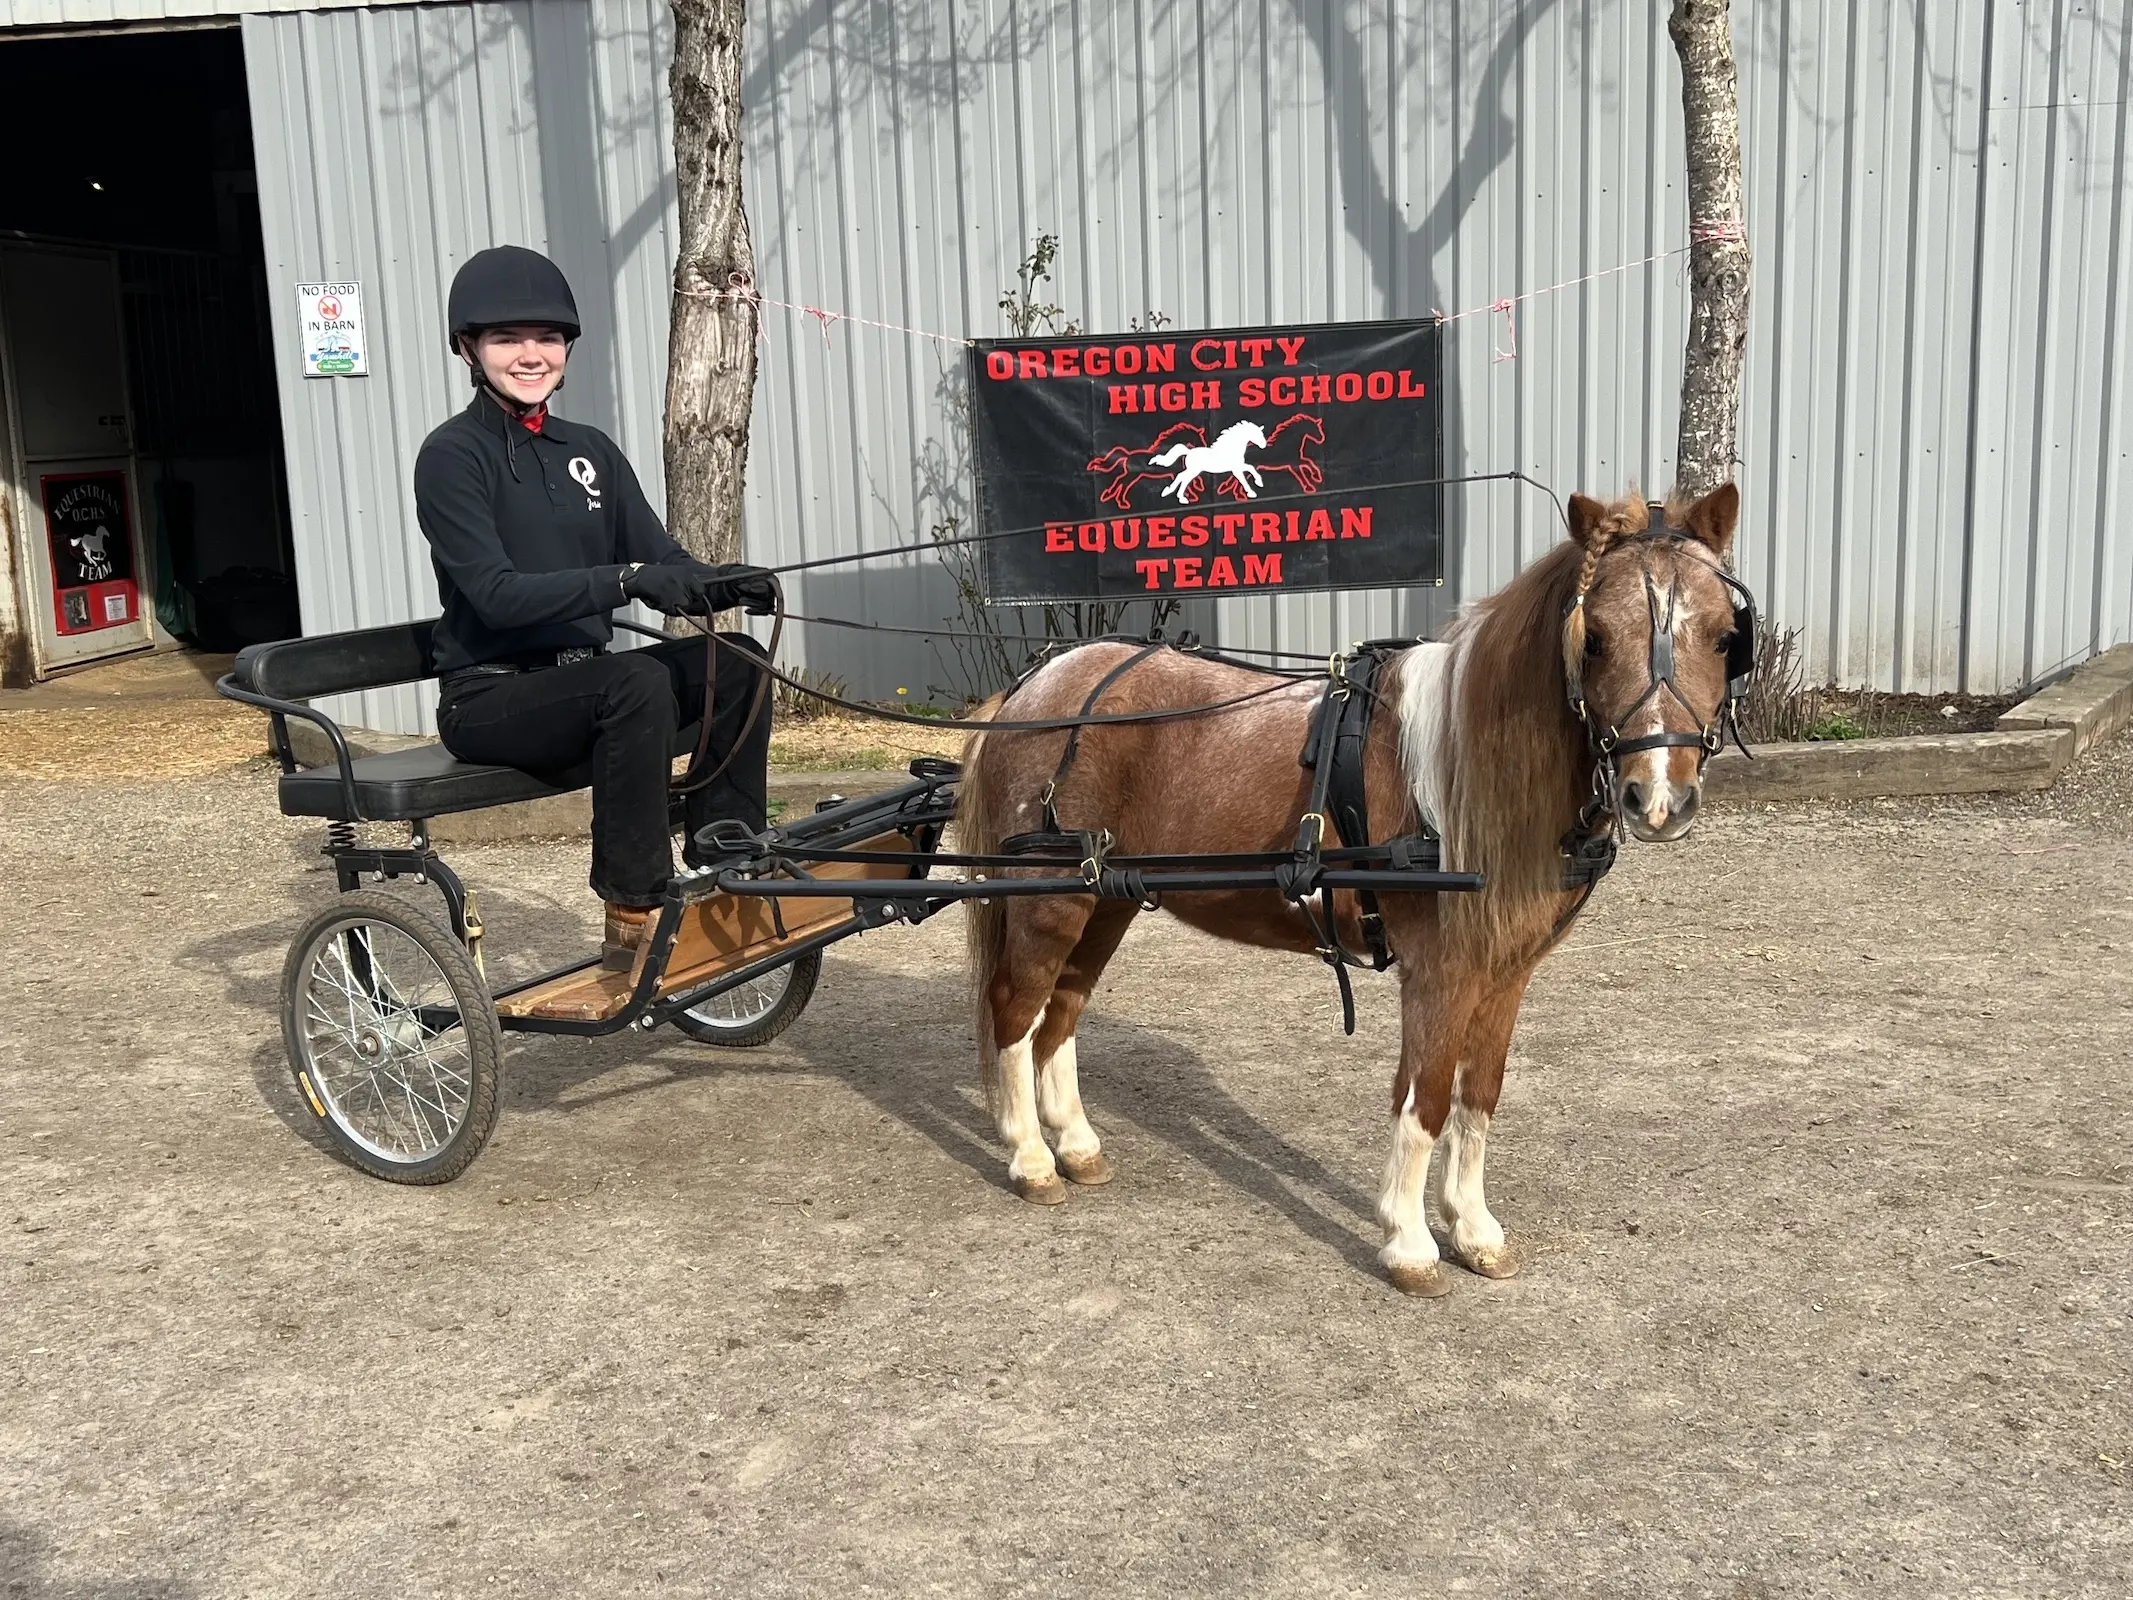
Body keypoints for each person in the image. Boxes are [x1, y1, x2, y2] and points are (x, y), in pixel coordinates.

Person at [415, 244, 777, 970]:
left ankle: (726, 857)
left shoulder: (591, 451)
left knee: (734, 660)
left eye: (546, 338)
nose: (530, 355)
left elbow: (659, 557)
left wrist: (718, 581)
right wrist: (625, 581)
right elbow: (494, 593)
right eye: (507, 338)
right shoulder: (452, 455)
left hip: (590, 688)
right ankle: (633, 903)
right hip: (491, 696)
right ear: (467, 347)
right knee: (633, 678)